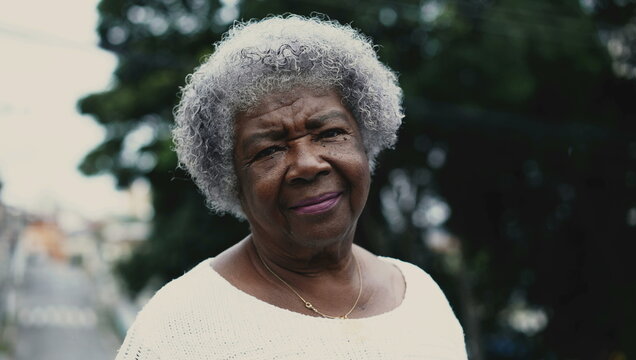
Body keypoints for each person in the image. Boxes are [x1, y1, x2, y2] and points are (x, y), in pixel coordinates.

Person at [115, 15, 467, 360]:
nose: (308, 165)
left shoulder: (422, 298)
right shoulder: (176, 330)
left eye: (330, 133)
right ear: (231, 179)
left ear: (365, 141)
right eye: (269, 150)